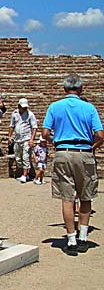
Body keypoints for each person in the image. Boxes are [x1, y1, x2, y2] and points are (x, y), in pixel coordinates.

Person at [41, 73, 103, 256]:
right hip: (84, 152)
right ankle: (83, 237)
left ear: (64, 88)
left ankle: (71, 239)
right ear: (81, 88)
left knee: (67, 198)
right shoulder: (89, 107)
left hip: (63, 152)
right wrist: (92, 146)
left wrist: (56, 141)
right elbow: (100, 135)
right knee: (86, 196)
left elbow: (45, 133)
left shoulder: (55, 106)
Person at [8, 98, 38, 183]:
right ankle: (24, 174)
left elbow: (34, 127)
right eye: (23, 107)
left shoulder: (30, 114)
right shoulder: (14, 114)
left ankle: (24, 175)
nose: (25, 109)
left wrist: (32, 139)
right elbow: (11, 126)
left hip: (26, 138)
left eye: (25, 108)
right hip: (17, 139)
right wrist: (9, 137)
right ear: (19, 106)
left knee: (26, 157)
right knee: (18, 157)